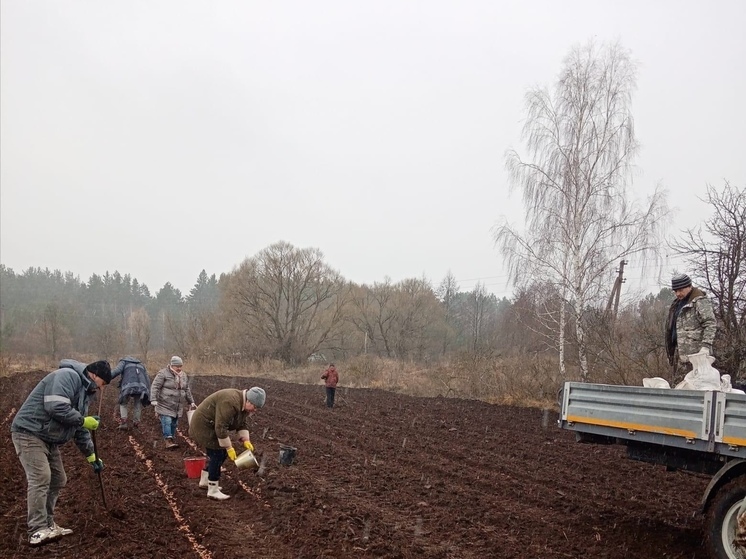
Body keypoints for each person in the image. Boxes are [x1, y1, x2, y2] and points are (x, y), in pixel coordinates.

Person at [10, 359, 110, 546]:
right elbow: (56, 407)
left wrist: (91, 456)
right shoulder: (68, 377)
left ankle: (48, 524)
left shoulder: (84, 392)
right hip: (29, 432)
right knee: (40, 477)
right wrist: (82, 420)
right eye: (103, 384)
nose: (101, 388)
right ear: (95, 375)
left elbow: (79, 427)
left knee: (58, 479)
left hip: (48, 438)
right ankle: (37, 530)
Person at [189, 387, 266, 500]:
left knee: (221, 454)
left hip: (212, 426)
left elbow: (241, 423)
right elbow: (220, 427)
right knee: (217, 454)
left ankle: (205, 480)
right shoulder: (230, 402)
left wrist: (246, 440)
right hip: (203, 426)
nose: (255, 410)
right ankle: (213, 489)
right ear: (249, 401)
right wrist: (229, 447)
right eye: (255, 407)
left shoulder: (243, 405)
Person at [665, 273, 717, 387]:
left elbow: (710, 323)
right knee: (679, 388)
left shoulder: (699, 301)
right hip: (680, 355)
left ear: (689, 286)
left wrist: (706, 346)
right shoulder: (676, 304)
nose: (678, 293)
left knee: (695, 390)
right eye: (675, 291)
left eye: (680, 290)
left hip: (697, 357)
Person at [150, 356, 196, 449]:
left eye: (180, 366)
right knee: (167, 421)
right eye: (177, 366)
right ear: (172, 365)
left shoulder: (183, 375)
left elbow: (186, 389)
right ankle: (168, 440)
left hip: (177, 405)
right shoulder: (163, 373)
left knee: (174, 424)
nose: (179, 368)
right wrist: (153, 399)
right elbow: (155, 386)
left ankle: (171, 438)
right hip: (164, 403)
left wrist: (191, 402)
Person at [110, 356, 151, 430]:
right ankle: (136, 424)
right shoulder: (141, 364)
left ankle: (124, 423)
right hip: (141, 386)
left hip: (128, 385)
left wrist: (106, 377)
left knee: (123, 403)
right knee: (137, 404)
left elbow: (117, 371)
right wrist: (148, 391)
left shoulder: (124, 361)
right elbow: (147, 378)